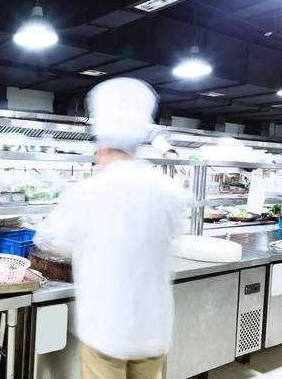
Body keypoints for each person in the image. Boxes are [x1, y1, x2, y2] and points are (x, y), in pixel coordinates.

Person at [35, 78, 186, 379]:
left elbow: (51, 241)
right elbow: (175, 233)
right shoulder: (167, 188)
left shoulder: (89, 190)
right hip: (153, 329)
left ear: (103, 147)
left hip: (106, 328)